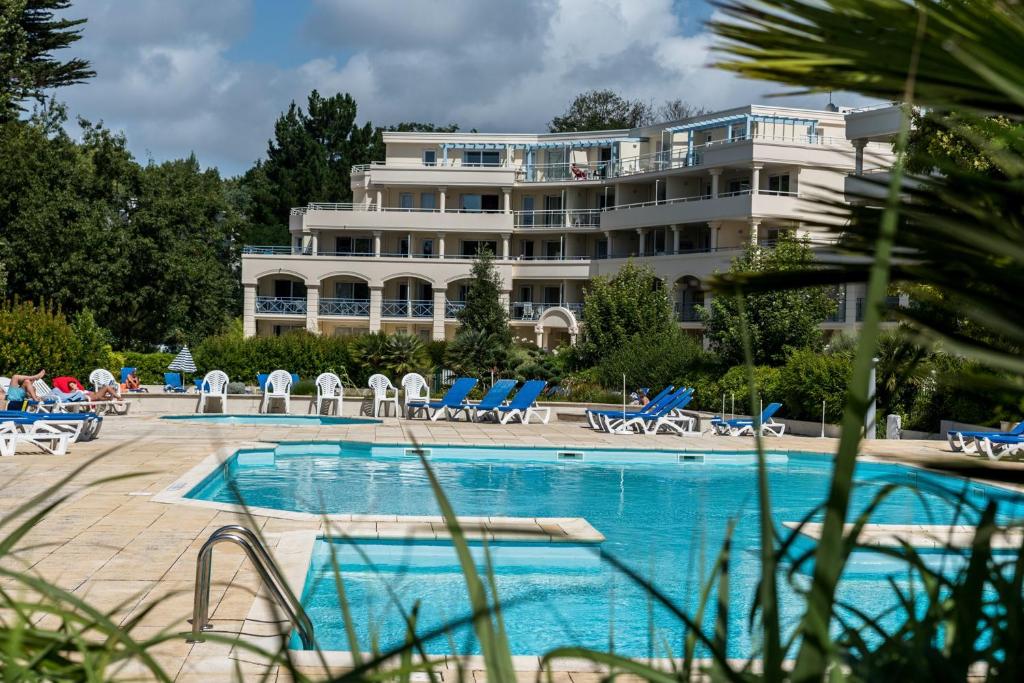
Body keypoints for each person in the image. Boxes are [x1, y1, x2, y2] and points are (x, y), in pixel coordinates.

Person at [50, 375, 120, 402]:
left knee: (107, 388)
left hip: (92, 394)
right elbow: (70, 395)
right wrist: (75, 390)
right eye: (71, 385)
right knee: (107, 387)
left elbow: (88, 392)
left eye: (74, 384)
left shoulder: (79, 390)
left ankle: (111, 398)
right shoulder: (73, 392)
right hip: (89, 397)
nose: (73, 385)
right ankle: (118, 397)